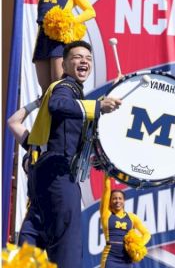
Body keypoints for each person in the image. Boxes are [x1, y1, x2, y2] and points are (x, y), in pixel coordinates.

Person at [27, 41, 121, 266]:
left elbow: (71, 135)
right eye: (78, 57)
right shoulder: (64, 87)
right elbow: (57, 105)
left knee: (34, 243)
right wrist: (98, 108)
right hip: (57, 171)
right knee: (67, 246)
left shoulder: (76, 93)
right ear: (65, 64)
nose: (84, 62)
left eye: (88, 59)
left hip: (50, 172)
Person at [32, 0, 96, 95]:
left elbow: (90, 11)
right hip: (42, 39)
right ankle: (46, 117)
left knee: (58, 85)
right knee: (45, 89)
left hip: (59, 41)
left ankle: (61, 114)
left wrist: (70, 21)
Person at [7, 98, 45, 249]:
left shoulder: (64, 144)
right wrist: (36, 103)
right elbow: (13, 122)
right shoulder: (33, 144)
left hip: (57, 215)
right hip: (35, 216)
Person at [100, 175, 150, 267]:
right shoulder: (106, 214)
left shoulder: (132, 217)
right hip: (110, 257)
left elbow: (147, 234)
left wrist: (138, 245)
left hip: (126, 259)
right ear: (110, 201)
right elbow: (107, 189)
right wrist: (107, 174)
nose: (117, 201)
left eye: (120, 198)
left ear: (124, 201)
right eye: (114, 198)